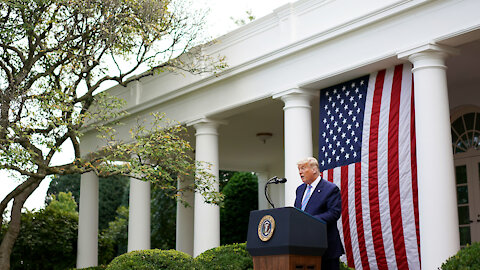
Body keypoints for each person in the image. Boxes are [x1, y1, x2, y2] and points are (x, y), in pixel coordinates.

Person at [294, 157, 344, 270]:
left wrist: (310, 220)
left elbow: (334, 213)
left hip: (325, 247)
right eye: (299, 169)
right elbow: (297, 212)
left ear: (314, 170)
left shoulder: (330, 189)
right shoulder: (300, 190)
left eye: (303, 168)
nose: (300, 172)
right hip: (303, 247)